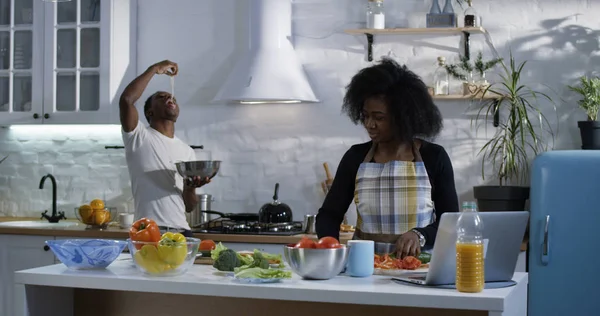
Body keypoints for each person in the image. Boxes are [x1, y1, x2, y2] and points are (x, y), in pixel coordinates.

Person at [316, 58, 459, 258]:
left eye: (379, 117)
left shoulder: (434, 157)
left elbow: (451, 221)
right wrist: (330, 250)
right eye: (365, 115)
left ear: (403, 117)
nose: (369, 124)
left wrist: (420, 234)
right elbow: (329, 215)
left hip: (419, 269)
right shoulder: (355, 157)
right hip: (365, 269)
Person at [119, 60, 209, 238]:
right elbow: (127, 100)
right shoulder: (138, 136)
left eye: (172, 98)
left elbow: (189, 206)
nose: (170, 98)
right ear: (149, 112)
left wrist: (190, 188)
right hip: (148, 230)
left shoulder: (187, 151)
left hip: (182, 232)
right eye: (161, 97)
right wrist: (154, 69)